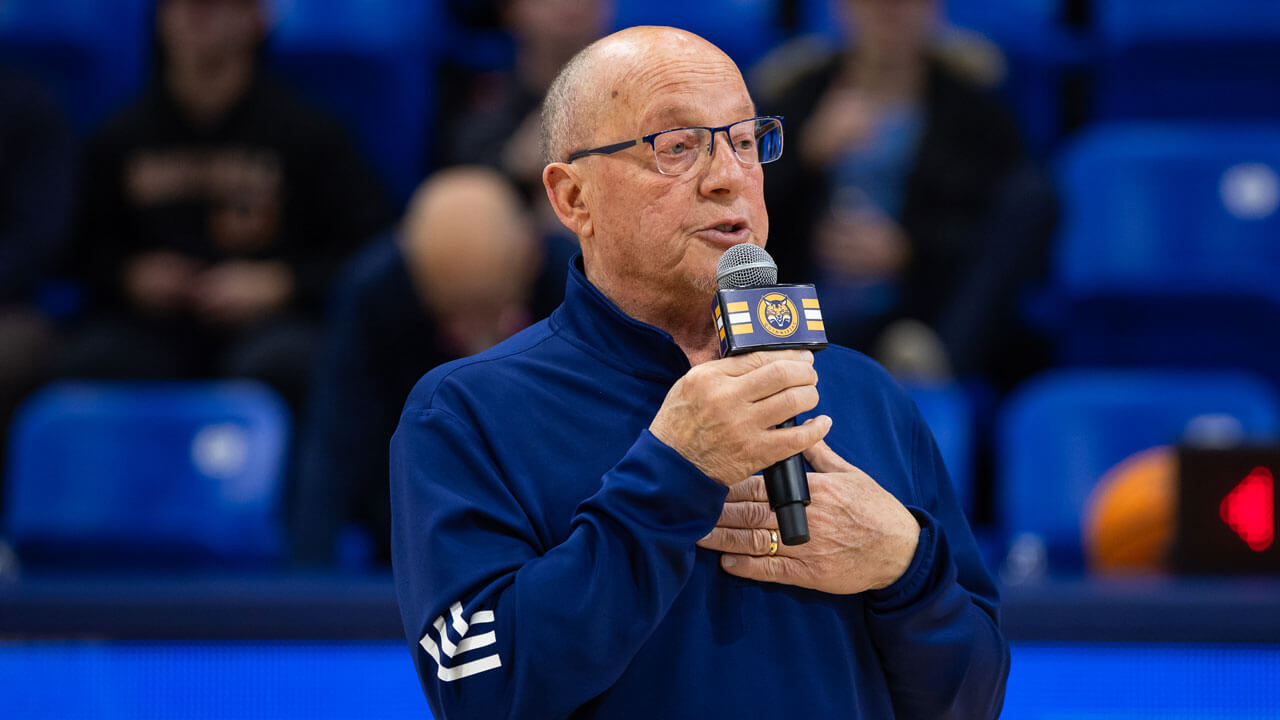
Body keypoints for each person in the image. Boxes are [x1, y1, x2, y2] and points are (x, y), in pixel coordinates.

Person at [391, 26, 1007, 719]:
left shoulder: (867, 395)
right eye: (677, 147)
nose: (728, 176)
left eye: (745, 142)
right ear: (572, 199)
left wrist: (906, 568)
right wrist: (674, 472)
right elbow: (480, 694)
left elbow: (973, 702)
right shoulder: (467, 411)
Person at [55, 0, 391, 405]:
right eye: (179, 6)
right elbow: (75, 248)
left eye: (216, 5)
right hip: (149, 327)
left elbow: (370, 250)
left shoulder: (310, 133)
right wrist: (130, 275)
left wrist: (282, 283)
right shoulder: (118, 137)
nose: (195, 15)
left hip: (272, 324)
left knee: (283, 362)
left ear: (256, 19)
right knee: (91, 362)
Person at [756, 0, 1055, 387]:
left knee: (1033, 196)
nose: (889, 14)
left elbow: (997, 228)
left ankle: (940, 364)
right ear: (842, 9)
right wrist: (805, 155)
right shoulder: (797, 100)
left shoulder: (974, 110)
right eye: (877, 6)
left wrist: (910, 250)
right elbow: (741, 209)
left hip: (922, 312)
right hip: (803, 304)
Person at [292, 166, 565, 566]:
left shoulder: (580, 280)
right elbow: (335, 440)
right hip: (410, 524)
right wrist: (306, 584)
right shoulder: (373, 292)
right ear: (412, 267)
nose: (474, 338)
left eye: (491, 310)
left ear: (530, 253)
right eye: (454, 314)